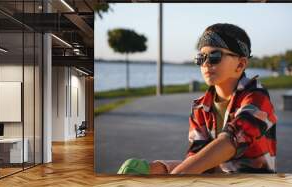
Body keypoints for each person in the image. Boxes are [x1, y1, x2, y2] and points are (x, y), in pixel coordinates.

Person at [118, 23, 277, 175]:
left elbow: (233, 139)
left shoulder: (257, 96)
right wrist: (159, 169)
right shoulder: (200, 107)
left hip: (251, 186)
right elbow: (196, 158)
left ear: (240, 64)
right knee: (136, 168)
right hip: (215, 180)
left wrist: (179, 174)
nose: (206, 63)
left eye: (215, 56)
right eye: (201, 58)